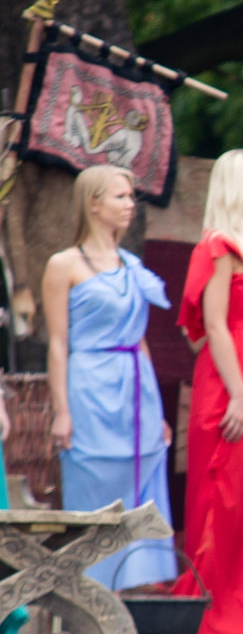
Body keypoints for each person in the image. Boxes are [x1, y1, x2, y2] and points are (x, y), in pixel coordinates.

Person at [170, 149, 243, 634]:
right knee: (224, 495)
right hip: (229, 375)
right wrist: (239, 393)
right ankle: (213, 619)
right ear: (240, 189)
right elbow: (213, 325)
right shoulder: (217, 246)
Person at [42, 164, 176, 589]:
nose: (130, 205)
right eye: (121, 197)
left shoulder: (132, 267)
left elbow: (139, 341)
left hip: (136, 388)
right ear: (93, 203)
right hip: (90, 386)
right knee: (91, 487)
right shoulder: (63, 265)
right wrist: (61, 411)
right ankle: (86, 593)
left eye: (131, 197)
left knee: (139, 492)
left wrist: (156, 412)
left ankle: (132, 592)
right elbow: (58, 344)